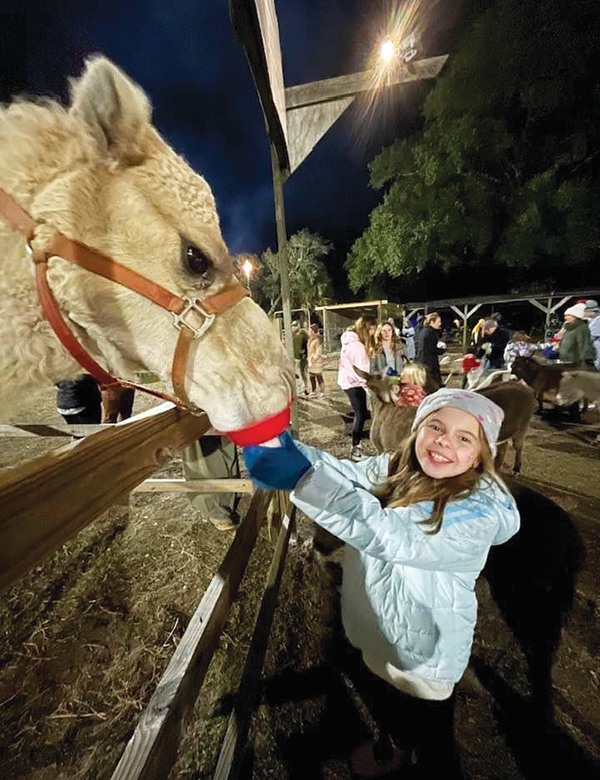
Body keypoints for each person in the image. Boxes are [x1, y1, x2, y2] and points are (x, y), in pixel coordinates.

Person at [243, 389, 520, 777]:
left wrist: (301, 480)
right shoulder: (396, 466)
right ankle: (393, 749)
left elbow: (392, 534)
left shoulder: (476, 510)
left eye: (464, 438)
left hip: (422, 657)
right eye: (436, 426)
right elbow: (343, 473)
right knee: (386, 709)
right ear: (417, 428)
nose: (444, 441)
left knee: (432, 743)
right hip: (377, 632)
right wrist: (275, 443)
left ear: (479, 456)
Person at [338, 316, 376, 461]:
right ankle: (356, 449)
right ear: (366, 329)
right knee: (360, 415)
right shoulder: (357, 347)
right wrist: (368, 387)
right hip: (354, 384)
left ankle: (356, 445)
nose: (373, 332)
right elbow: (361, 371)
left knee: (360, 413)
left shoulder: (349, 343)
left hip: (348, 382)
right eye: (372, 329)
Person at [416, 312, 445, 389]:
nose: (440, 324)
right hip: (430, 365)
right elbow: (432, 348)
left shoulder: (423, 331)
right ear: (432, 322)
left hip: (422, 362)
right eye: (438, 322)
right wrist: (442, 350)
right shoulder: (431, 332)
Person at [307, 323, 325, 397]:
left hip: (316, 361)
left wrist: (314, 358)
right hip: (310, 361)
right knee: (311, 377)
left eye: (311, 331)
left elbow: (318, 351)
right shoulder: (310, 340)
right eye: (309, 331)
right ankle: (313, 391)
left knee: (319, 376)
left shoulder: (317, 340)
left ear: (314, 332)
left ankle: (322, 392)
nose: (309, 332)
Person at [292, 321, 310, 397]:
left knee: (303, 373)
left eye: (295, 326)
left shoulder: (303, 335)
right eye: (292, 326)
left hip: (302, 357)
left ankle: (305, 388)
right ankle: (299, 387)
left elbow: (308, 345)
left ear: (298, 326)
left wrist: (305, 353)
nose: (293, 327)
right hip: (294, 357)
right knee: (295, 373)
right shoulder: (292, 336)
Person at [584, 299, 600, 370]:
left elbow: (591, 335)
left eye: (586, 311)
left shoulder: (598, 320)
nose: (584, 313)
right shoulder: (591, 319)